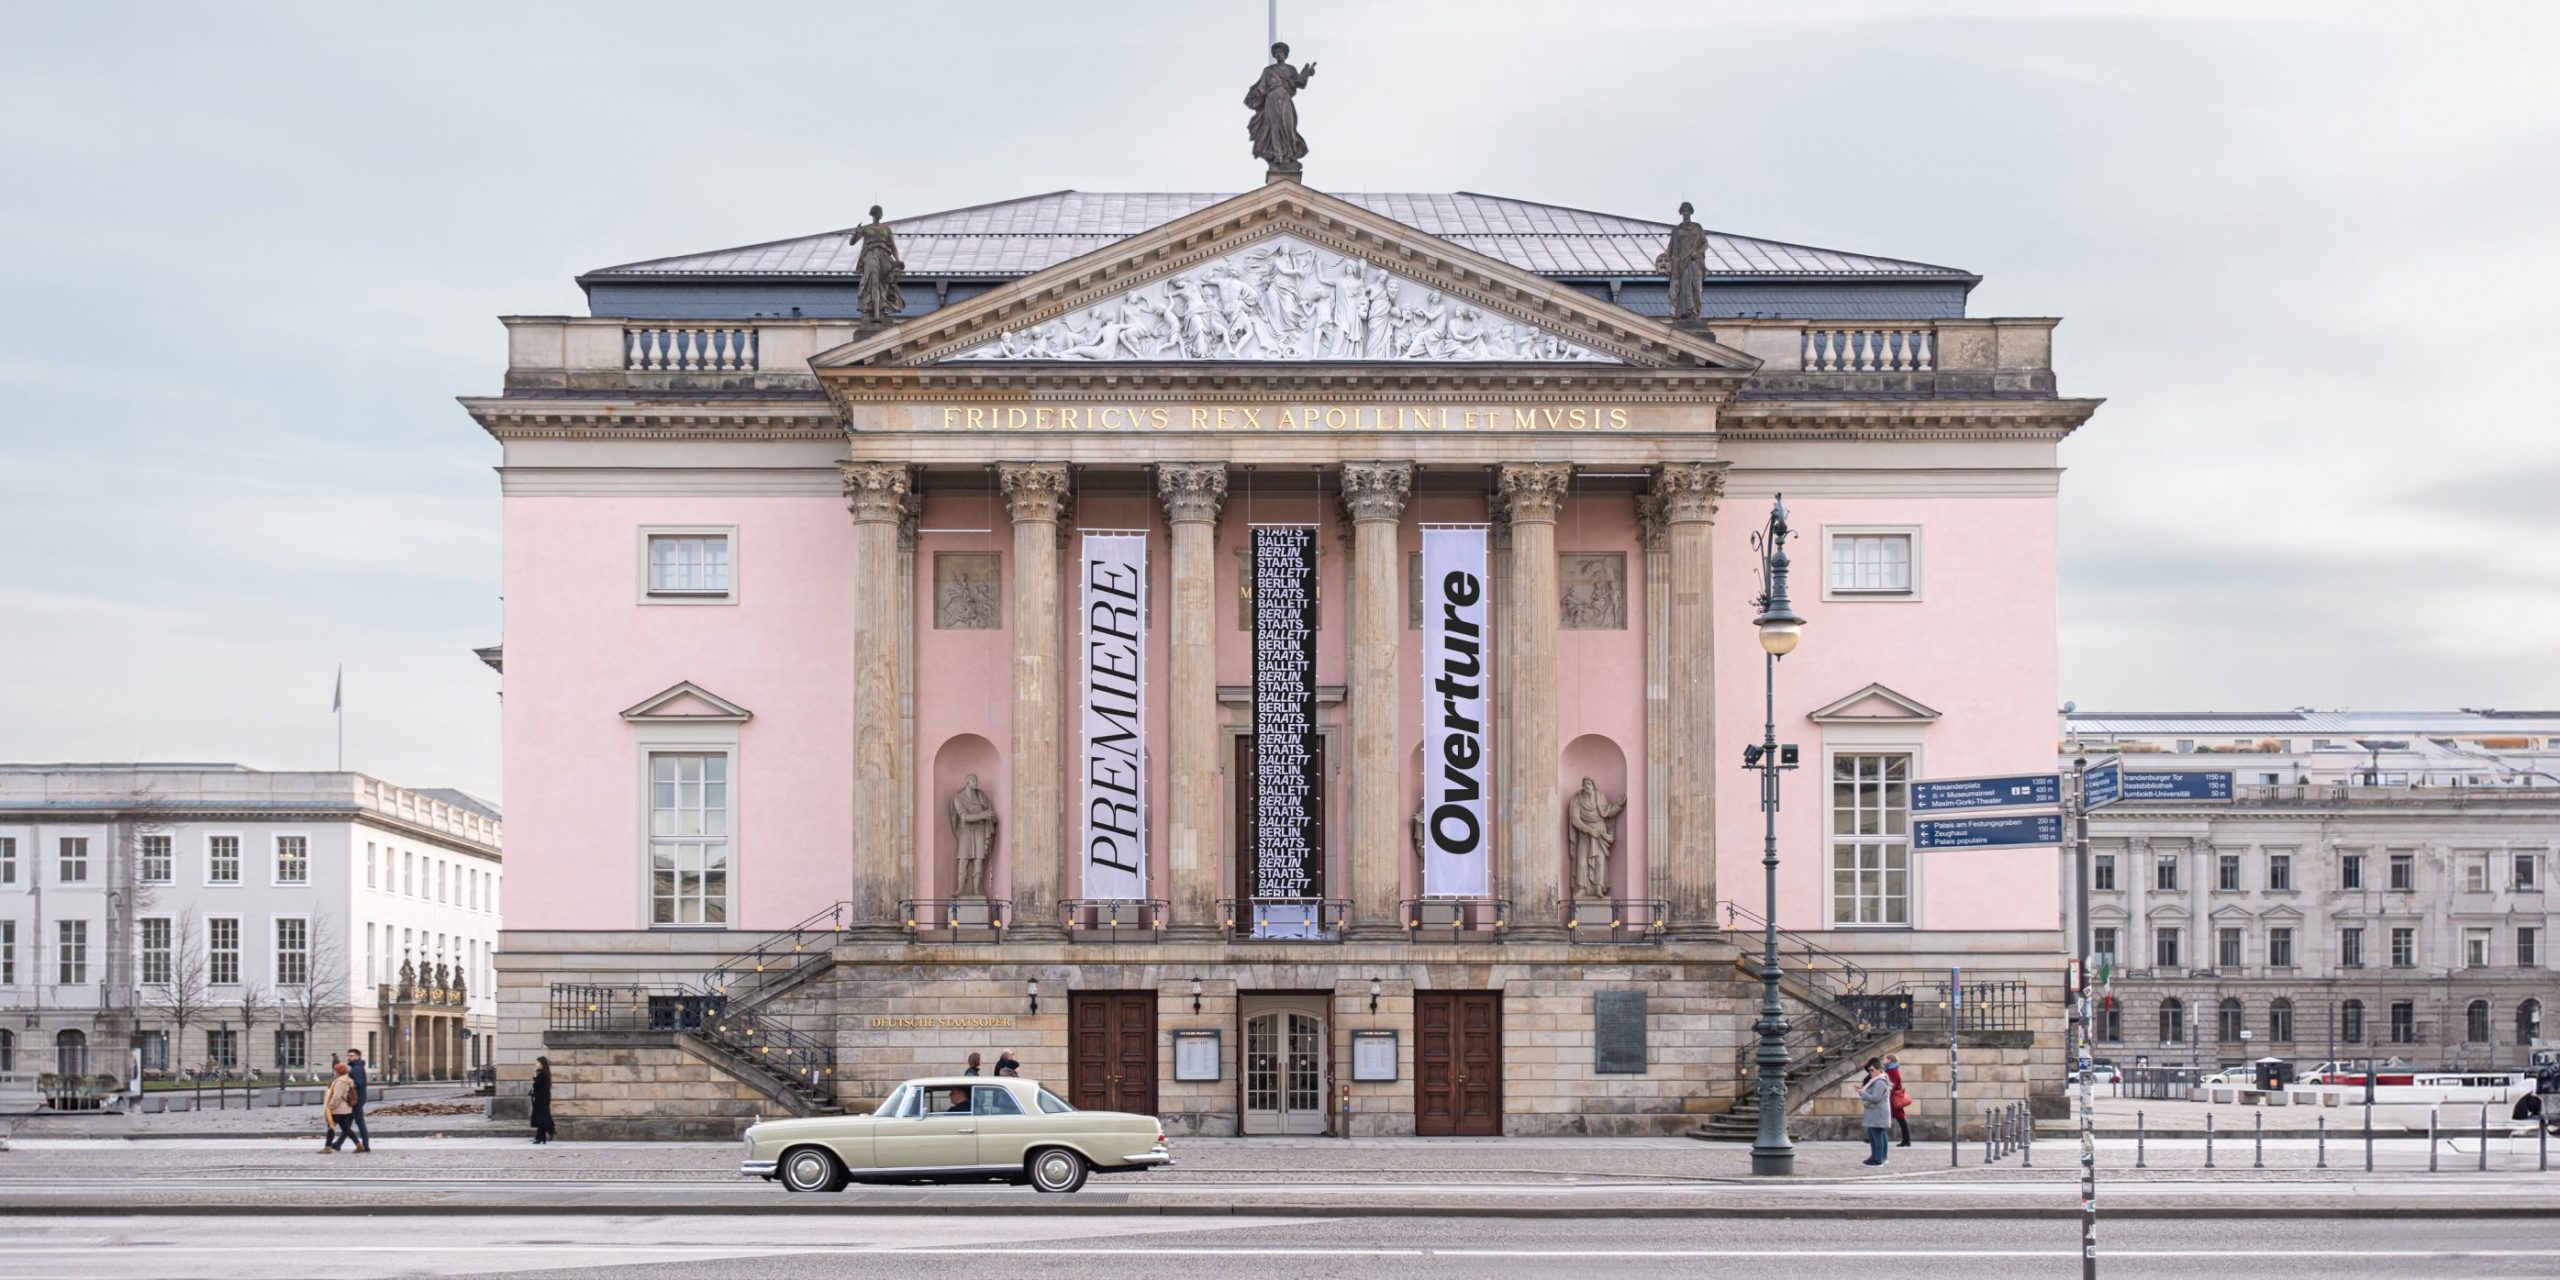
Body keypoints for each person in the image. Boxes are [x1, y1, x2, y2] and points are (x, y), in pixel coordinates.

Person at [1857, 1058, 1893, 1168]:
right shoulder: (1877, 1080)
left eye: (1872, 1070)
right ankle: (1878, 1157)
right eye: (1869, 1070)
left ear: (1879, 1070)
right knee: (1876, 1135)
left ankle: (1877, 1159)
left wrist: (1862, 1093)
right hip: (1876, 1112)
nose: (1870, 1072)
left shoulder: (1880, 1082)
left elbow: (1875, 1098)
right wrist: (1863, 1092)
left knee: (1876, 1136)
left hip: (1878, 1113)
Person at [321, 1062, 358, 1154]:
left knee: (331, 1126)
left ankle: (327, 1147)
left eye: (335, 1070)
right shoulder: (347, 1080)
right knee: (346, 1128)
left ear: (338, 1072)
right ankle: (358, 1145)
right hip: (345, 1109)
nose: (333, 1072)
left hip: (338, 1109)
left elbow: (337, 1096)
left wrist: (330, 1106)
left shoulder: (340, 1082)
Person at [343, 1048, 373, 1153]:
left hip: (356, 1099)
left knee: (359, 1122)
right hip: (357, 1099)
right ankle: (338, 1144)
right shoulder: (356, 1067)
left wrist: (347, 1082)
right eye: (348, 1055)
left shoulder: (356, 1069)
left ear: (357, 1057)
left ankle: (366, 1145)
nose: (349, 1057)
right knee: (347, 1122)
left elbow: (358, 1083)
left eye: (351, 1055)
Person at [1884, 1051, 1912, 1147]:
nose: (1883, 1060)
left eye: (1885, 1059)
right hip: (1893, 1099)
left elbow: (1893, 1085)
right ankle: (1906, 1140)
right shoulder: (1891, 1070)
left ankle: (1907, 1140)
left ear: (1889, 1060)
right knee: (1896, 1119)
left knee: (1901, 1119)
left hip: (1894, 1099)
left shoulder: (1892, 1071)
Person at [530, 1055, 556, 1144]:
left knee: (541, 1117)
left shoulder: (542, 1074)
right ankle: (542, 1136)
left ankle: (549, 1131)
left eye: (538, 1063)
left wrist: (534, 1075)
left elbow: (536, 1085)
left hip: (541, 1098)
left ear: (542, 1064)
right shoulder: (545, 1073)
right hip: (544, 1097)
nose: (536, 1064)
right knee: (543, 1116)